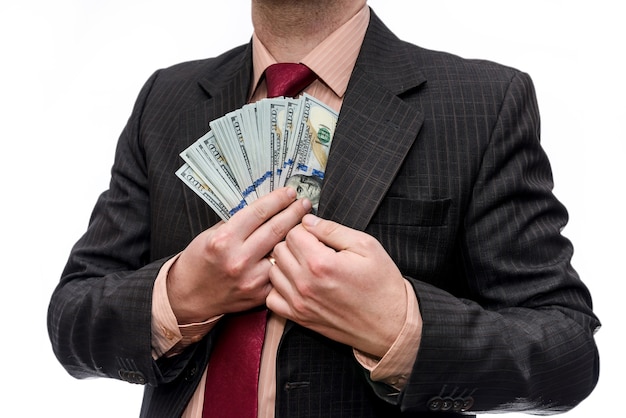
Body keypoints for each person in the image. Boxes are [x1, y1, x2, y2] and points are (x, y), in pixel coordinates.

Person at [47, 0, 600, 417]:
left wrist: (401, 326)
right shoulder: (164, 99)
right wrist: (177, 296)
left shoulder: (483, 101)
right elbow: (71, 314)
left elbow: (566, 353)